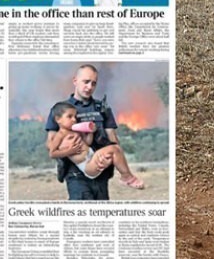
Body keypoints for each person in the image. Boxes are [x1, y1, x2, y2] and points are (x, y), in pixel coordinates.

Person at [43, 65, 142, 199]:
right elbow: (50, 143)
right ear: (75, 81)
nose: (89, 87)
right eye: (86, 82)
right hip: (76, 175)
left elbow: (112, 139)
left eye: (93, 83)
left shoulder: (102, 108)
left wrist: (110, 159)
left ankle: (127, 177)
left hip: (101, 171)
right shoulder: (62, 110)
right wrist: (70, 150)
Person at [46, 101, 145, 188]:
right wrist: (69, 151)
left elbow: (87, 143)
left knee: (115, 151)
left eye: (75, 116)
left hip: (92, 156)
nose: (74, 119)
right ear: (58, 119)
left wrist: (91, 132)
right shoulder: (59, 136)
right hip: (87, 165)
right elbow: (52, 153)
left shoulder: (76, 130)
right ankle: (126, 177)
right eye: (69, 116)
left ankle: (123, 174)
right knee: (114, 149)